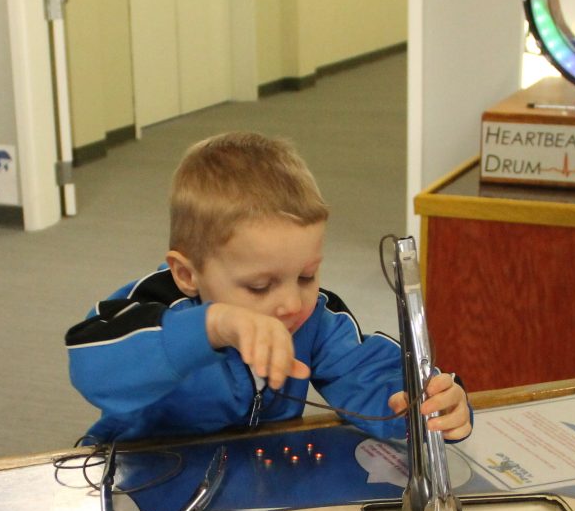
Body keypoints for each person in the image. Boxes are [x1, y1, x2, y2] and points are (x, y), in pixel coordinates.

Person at [65, 132, 472, 444]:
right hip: (139, 482)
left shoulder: (315, 319)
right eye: (260, 286)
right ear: (188, 275)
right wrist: (213, 326)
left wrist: (428, 403)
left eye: (307, 275)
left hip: (245, 482)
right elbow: (92, 366)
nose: (292, 303)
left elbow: (371, 379)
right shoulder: (155, 305)